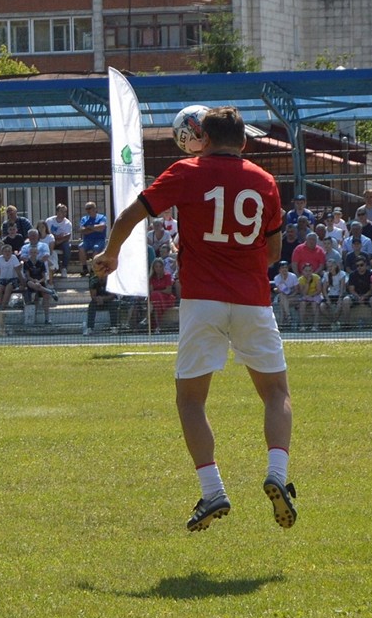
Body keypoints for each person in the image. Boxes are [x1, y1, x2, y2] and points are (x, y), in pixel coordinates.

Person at [94, 105, 295, 533]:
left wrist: (111, 254)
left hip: (202, 300)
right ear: (243, 141)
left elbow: (133, 213)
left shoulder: (186, 171)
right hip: (252, 298)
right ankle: (277, 473)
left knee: (191, 400)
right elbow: (275, 253)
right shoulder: (265, 181)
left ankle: (213, 489)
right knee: (275, 392)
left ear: (202, 135)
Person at [79, 201, 108, 275]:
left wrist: (89, 227)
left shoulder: (102, 217)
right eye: (86, 209)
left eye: (90, 208)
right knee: (81, 246)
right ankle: (84, 268)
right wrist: (95, 228)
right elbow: (82, 231)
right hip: (87, 240)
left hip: (99, 240)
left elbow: (102, 228)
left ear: (95, 209)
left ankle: (93, 268)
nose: (88, 210)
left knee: (96, 248)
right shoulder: (84, 219)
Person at [272, 260, 300, 329]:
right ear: (279, 269)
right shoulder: (277, 278)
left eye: (286, 267)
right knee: (282, 298)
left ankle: (281, 324)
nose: (284, 269)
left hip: (294, 297)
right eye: (282, 268)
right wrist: (282, 280)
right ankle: (288, 317)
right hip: (284, 297)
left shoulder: (293, 276)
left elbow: (297, 290)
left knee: (283, 302)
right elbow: (282, 290)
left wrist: (291, 295)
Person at [47, 204, 72, 277]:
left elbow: (67, 237)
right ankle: (51, 267)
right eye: (62, 211)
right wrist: (56, 237)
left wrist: (58, 240)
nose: (64, 213)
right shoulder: (49, 221)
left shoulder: (67, 223)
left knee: (67, 246)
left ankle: (64, 268)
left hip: (61, 242)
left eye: (65, 212)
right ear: (57, 212)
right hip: (51, 241)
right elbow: (47, 233)